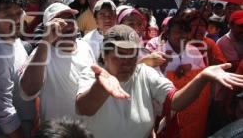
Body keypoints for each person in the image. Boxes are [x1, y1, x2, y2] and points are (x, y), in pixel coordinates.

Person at [75, 24, 243, 138]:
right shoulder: (92, 74)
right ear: (105, 55)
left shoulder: (145, 73)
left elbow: (175, 101)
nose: (127, 61)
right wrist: (101, 87)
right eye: (119, 54)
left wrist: (202, 76)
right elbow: (85, 108)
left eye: (132, 54)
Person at [19, 2, 96, 121]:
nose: (67, 27)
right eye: (60, 23)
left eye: (70, 21)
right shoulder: (41, 54)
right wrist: (45, 42)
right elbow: (27, 92)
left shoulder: (85, 47)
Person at [0, 0, 35, 138]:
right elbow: (3, 110)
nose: (16, 21)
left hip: (28, 121)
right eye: (8, 16)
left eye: (18, 13)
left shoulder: (12, 37)